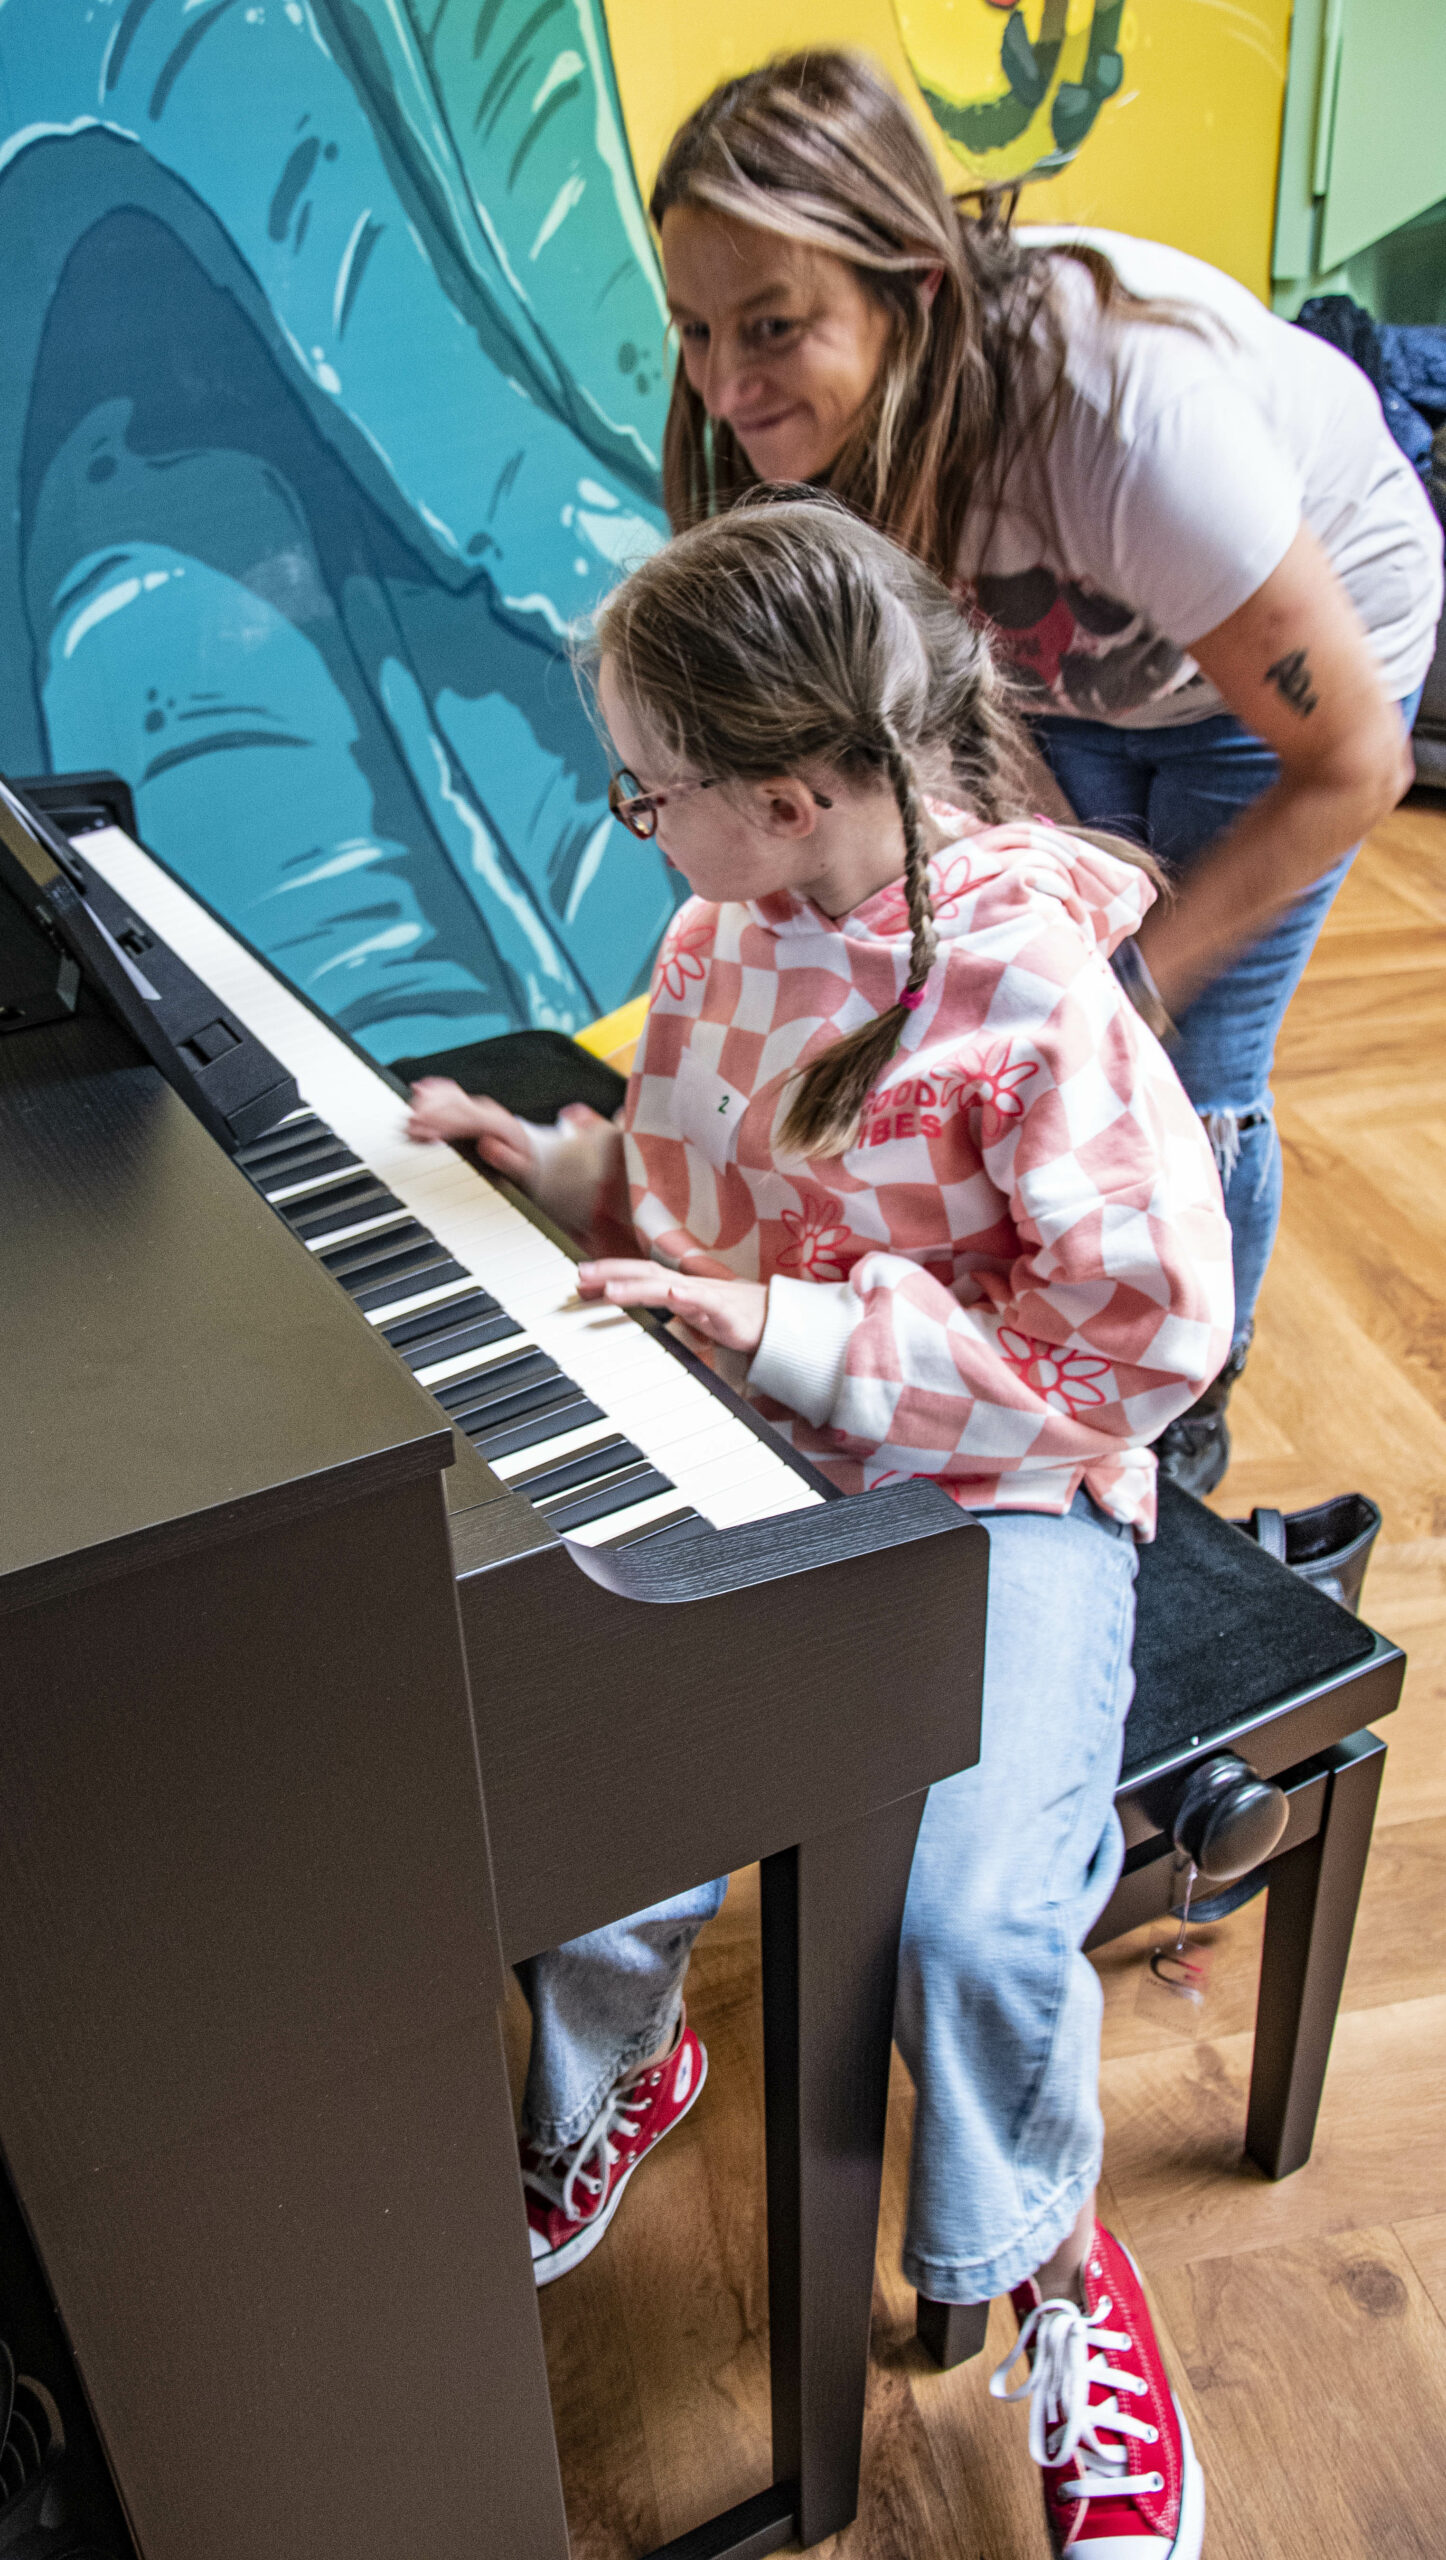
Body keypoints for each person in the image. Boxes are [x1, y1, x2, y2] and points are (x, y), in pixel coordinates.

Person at [407, 496, 1232, 2557]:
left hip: (1011, 1495)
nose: (639, 828)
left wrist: (797, 1328)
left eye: (648, 791)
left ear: (787, 793)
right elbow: (689, 1199)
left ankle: (1057, 2266)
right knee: (601, 1770)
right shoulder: (717, 938)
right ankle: (614, 2071)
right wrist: (554, 1161)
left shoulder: (1029, 985)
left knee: (971, 1918)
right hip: (769, 1453)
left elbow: (1142, 1345)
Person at [645, 49, 1443, 1490]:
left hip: (1283, 691)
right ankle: (996, 1335)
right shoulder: (833, 428)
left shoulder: (1129, 423)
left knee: (1171, 1066)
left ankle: (1179, 1393)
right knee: (1018, 1008)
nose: (727, 384)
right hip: (1073, 660)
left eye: (771, 326)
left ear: (912, 286)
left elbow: (1352, 762)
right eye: (696, 329)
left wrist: (1116, 989)